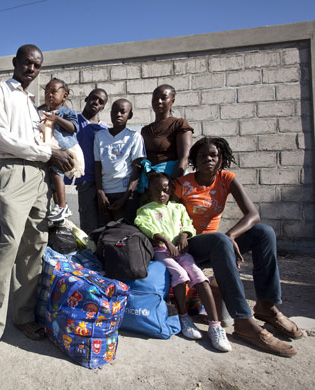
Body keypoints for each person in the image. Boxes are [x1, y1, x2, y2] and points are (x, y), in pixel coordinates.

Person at [0, 44, 74, 364]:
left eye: (37, 65)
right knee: (8, 246)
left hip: (40, 177)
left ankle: (23, 314)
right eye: (26, 63)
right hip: (14, 171)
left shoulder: (32, 105)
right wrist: (49, 153)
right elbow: (1, 138)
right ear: (15, 63)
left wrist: (61, 153)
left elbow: (42, 142)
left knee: (35, 247)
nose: (31, 68)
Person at [173, 137, 302, 357]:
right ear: (194, 159)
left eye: (213, 155)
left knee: (264, 233)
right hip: (192, 245)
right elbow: (170, 217)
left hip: (219, 243)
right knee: (221, 240)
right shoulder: (183, 184)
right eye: (203, 156)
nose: (208, 159)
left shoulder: (226, 179)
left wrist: (231, 235)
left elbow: (253, 214)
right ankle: (243, 322)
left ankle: (266, 307)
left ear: (221, 158)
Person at [134, 172, 232, 352]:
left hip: (180, 250)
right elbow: (144, 226)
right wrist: (166, 241)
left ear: (170, 190)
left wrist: (184, 236)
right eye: (157, 191)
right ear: (150, 191)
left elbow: (188, 224)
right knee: (179, 274)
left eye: (165, 190)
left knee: (199, 276)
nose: (161, 194)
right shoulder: (145, 210)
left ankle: (215, 325)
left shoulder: (178, 208)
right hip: (161, 251)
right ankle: (183, 316)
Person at [94, 98, 146, 225]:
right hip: (105, 194)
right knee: (105, 233)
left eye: (123, 112)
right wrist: (100, 192)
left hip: (125, 194)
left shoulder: (134, 137)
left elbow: (136, 169)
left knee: (125, 233)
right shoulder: (100, 136)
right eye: (114, 111)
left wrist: (125, 198)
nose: (118, 115)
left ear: (130, 115)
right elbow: (97, 165)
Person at [64, 88, 108, 234]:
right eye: (94, 98)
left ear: (103, 107)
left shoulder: (104, 130)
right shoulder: (72, 121)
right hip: (85, 180)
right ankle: (89, 253)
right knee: (88, 222)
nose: (96, 102)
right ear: (86, 99)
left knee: (104, 220)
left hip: (103, 181)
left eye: (100, 102)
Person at [38, 78, 80, 222]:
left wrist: (56, 118)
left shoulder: (67, 112)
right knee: (53, 181)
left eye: (53, 92)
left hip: (63, 148)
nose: (49, 95)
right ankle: (58, 206)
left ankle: (62, 206)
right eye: (46, 92)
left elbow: (73, 127)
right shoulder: (45, 112)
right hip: (50, 150)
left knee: (57, 175)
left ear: (65, 96)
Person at [139, 84, 193, 193]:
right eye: (155, 98)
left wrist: (172, 184)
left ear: (172, 101)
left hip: (170, 182)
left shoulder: (179, 124)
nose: (158, 101)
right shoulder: (145, 130)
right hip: (150, 182)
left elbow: (184, 157)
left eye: (164, 98)